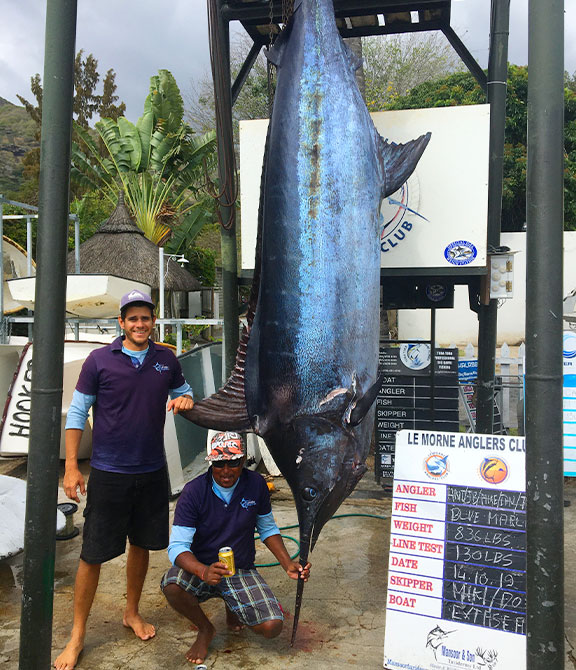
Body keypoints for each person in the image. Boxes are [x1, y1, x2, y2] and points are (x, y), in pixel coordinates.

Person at [54, 289, 194, 670]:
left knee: (142, 545)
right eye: (132, 318)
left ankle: (131, 612)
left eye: (145, 318)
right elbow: (76, 415)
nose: (140, 324)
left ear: (153, 320)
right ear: (121, 322)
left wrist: (186, 400)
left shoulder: (166, 359)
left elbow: (185, 394)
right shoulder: (99, 361)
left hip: (151, 471)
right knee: (92, 554)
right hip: (108, 473)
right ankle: (77, 635)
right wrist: (70, 467)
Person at [161, 431, 311, 665]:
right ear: (211, 463)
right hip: (202, 566)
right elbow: (177, 547)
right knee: (171, 585)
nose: (226, 470)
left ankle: (233, 605)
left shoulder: (256, 484)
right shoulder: (193, 492)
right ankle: (205, 629)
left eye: (233, 462)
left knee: (272, 626)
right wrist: (203, 571)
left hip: (239, 567)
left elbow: (267, 528)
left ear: (243, 460)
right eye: (219, 463)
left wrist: (287, 563)